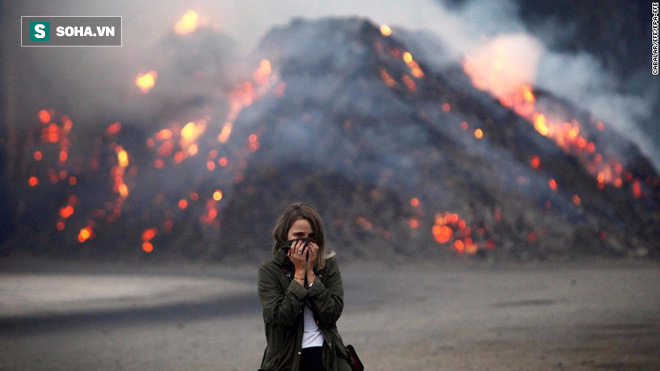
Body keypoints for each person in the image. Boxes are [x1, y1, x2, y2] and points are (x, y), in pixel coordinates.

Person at [258, 202, 353, 371]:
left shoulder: (328, 266)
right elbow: (281, 318)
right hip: (286, 361)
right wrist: (299, 274)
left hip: (328, 358)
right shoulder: (269, 272)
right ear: (284, 236)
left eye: (311, 236)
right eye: (299, 235)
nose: (305, 241)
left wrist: (311, 275)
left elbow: (331, 313)